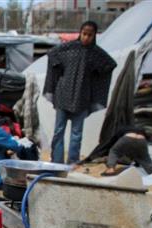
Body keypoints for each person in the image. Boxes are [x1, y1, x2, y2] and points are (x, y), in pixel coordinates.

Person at [44, 21, 116, 164]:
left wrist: (94, 77)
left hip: (83, 97)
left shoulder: (96, 53)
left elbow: (109, 64)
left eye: (90, 35)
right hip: (63, 94)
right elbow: (52, 54)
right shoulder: (68, 48)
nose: (86, 37)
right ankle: (57, 161)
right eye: (84, 34)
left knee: (77, 133)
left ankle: (73, 162)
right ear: (80, 33)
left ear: (94, 35)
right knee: (59, 130)